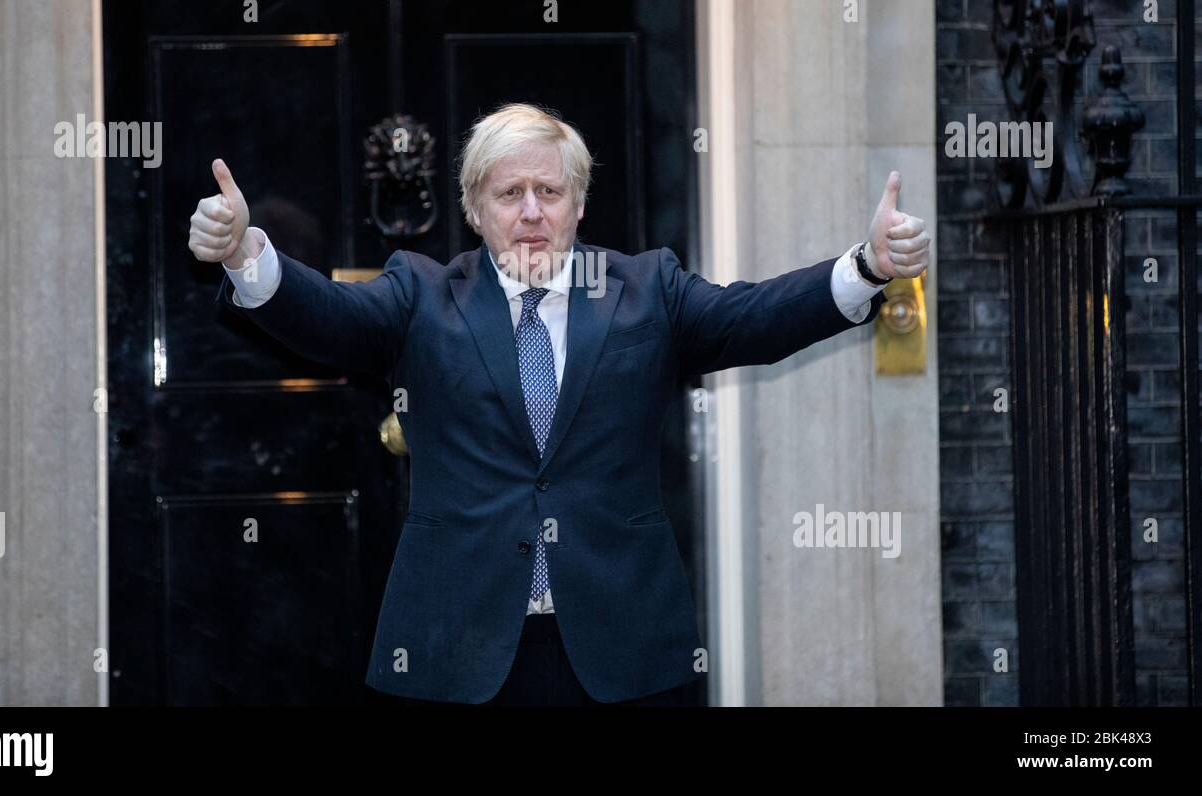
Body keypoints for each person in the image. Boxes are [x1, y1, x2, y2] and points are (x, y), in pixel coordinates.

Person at [187, 103, 931, 706]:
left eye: (550, 191)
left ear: (579, 203)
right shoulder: (421, 295)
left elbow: (756, 318)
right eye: (510, 194)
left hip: (621, 646)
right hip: (457, 647)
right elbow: (331, 319)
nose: (532, 212)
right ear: (476, 211)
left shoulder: (648, 290)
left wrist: (866, 267)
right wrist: (248, 256)